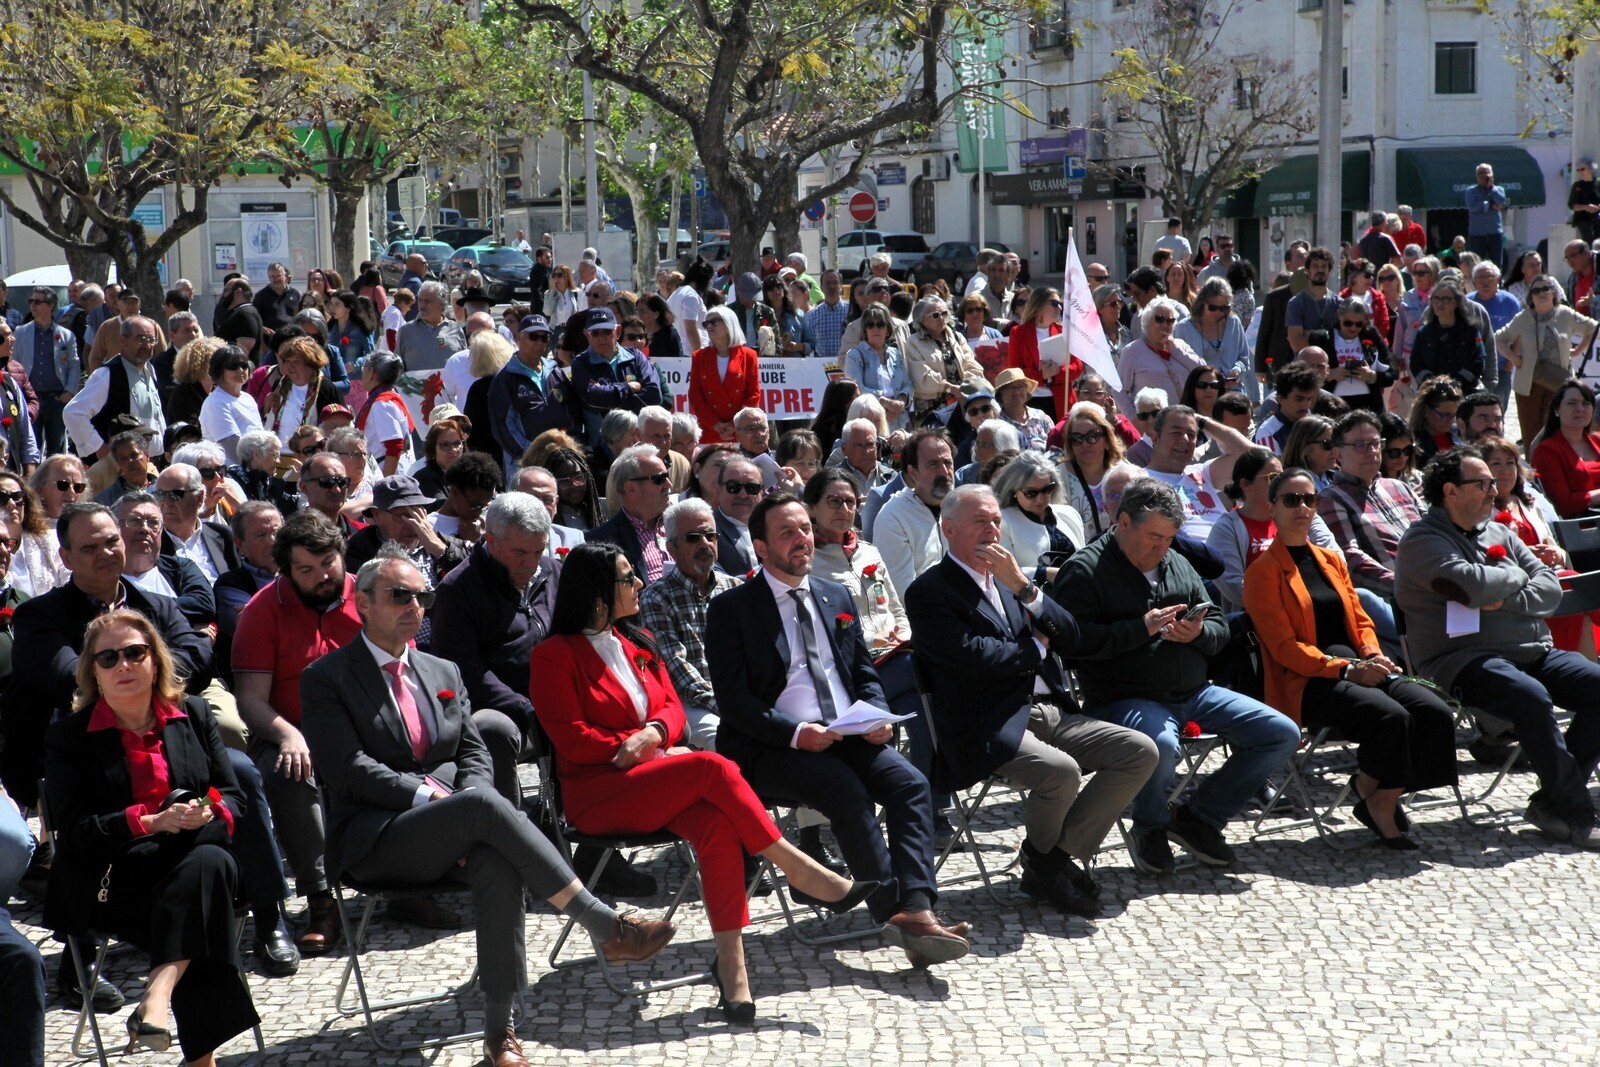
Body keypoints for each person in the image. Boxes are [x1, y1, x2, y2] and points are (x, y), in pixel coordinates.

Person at [301, 548, 676, 1066]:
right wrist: (441, 799)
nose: (415, 606)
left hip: (454, 821)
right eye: (399, 596)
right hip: (376, 835)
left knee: (495, 858)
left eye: (423, 596)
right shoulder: (327, 677)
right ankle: (602, 923)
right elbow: (347, 767)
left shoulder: (440, 667)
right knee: (479, 807)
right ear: (362, 603)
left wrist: (464, 808)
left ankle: (500, 1033)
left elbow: (473, 749)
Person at [534, 541, 873, 1020]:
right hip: (599, 793)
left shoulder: (637, 642)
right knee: (713, 766)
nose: (639, 584)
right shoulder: (554, 655)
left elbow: (673, 710)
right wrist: (631, 746)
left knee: (715, 826)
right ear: (595, 593)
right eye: (628, 578)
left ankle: (733, 971)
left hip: (651, 777)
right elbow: (571, 737)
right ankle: (794, 866)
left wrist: (651, 733)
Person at [705, 493, 970, 967]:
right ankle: (899, 915)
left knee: (911, 784)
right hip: (772, 746)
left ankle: (917, 907)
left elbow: (862, 672)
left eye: (805, 528)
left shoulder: (835, 594)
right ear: (760, 548)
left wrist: (876, 717)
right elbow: (735, 703)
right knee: (846, 792)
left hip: (845, 733)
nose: (801, 539)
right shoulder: (733, 609)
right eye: (786, 532)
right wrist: (795, 733)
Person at [905, 484, 1157, 912]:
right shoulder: (929, 591)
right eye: (979, 521)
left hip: (1050, 711)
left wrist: (1025, 587)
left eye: (995, 520)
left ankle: (1048, 860)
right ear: (948, 529)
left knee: (1140, 751)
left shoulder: (1009, 580)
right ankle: (1049, 868)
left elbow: (1071, 635)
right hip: (988, 722)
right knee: (1061, 772)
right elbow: (974, 658)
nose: (991, 530)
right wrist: (1038, 649)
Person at [1052, 479, 1301, 874]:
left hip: (1194, 690)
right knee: (1160, 744)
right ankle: (1150, 826)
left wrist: (1200, 632)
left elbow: (1218, 624)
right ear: (1123, 522)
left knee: (1281, 732)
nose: (1160, 547)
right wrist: (1140, 629)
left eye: (1168, 538)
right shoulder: (1084, 570)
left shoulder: (1177, 561)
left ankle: (1198, 817)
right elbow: (1072, 643)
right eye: (1152, 536)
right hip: (1125, 697)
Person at [43, 612, 259, 1065]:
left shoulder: (194, 714)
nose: (123, 664)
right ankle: (198, 1054)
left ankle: (157, 995)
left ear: (155, 661)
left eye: (135, 653)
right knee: (208, 887)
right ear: (94, 673)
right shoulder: (70, 738)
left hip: (190, 865)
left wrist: (205, 813)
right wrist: (150, 822)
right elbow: (76, 834)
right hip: (114, 880)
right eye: (108, 657)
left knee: (206, 870)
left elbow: (235, 798)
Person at [1395, 447, 1600, 848]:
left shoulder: (1500, 531)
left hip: (1531, 650)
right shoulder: (1422, 541)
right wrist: (1512, 575)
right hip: (1461, 660)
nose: (1495, 490)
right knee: (1530, 697)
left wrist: (1501, 591)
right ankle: (1574, 810)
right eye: (1483, 483)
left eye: (1493, 482)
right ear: (1451, 491)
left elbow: (1550, 588)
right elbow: (1469, 585)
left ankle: (1552, 799)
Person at [1244, 467, 1457, 848]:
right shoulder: (1262, 572)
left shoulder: (1331, 560)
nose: (1302, 507)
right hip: (1309, 680)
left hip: (1358, 667)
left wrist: (1373, 656)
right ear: (1272, 507)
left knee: (1435, 712)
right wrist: (1347, 668)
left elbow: (1360, 620)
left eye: (1310, 499)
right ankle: (1377, 801)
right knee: (1392, 717)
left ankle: (1375, 791)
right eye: (1291, 500)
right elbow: (1284, 648)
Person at [1483, 434, 1600, 656]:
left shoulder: (1528, 503)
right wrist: (1528, 556)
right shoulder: (1483, 512)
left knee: (1579, 606)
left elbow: (1555, 546)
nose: (1505, 471)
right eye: (1496, 464)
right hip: (1523, 589)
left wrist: (1555, 553)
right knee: (1574, 585)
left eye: (1510, 463)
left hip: (1553, 578)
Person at [1496, 276, 1597, 437]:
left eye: (1545, 289)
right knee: (1531, 433)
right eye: (1536, 290)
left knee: (1556, 432)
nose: (1541, 293)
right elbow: (1499, 338)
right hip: (1528, 385)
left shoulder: (1566, 314)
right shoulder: (1523, 318)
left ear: (1553, 293)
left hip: (1558, 383)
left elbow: (1593, 329)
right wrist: (1514, 359)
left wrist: (1577, 351)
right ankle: (1532, 462)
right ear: (1531, 297)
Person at [64, 316, 167, 460]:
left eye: (151, 340)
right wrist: (99, 448)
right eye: (141, 339)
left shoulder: (150, 371)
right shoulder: (107, 374)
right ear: (123, 340)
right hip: (121, 465)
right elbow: (73, 413)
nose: (147, 345)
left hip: (150, 463)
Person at [873, 429, 955, 598]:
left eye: (947, 463)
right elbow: (904, 592)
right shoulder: (894, 517)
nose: (944, 472)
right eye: (933, 465)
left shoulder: (962, 508)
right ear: (913, 473)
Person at [993, 450, 1084, 582]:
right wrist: (1044, 573)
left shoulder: (1069, 514)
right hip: (1031, 599)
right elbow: (1001, 572)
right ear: (1014, 491)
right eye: (1031, 493)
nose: (1040, 499)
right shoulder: (1002, 522)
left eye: (1047, 489)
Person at [585, 443, 671, 584]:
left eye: (667, 476)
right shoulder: (601, 542)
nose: (668, 484)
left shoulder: (682, 524)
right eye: (659, 479)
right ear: (631, 488)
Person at [16, 286, 79, 455]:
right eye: (31, 301)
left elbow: (73, 364)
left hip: (56, 398)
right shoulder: (21, 332)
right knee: (30, 445)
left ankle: (55, 480)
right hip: (31, 398)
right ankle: (32, 480)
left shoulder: (66, 335)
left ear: (51, 305)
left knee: (57, 447)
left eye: (37, 302)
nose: (33, 305)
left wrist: (69, 391)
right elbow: (13, 363)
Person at [904, 295, 983, 425]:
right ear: (922, 319)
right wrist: (949, 388)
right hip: (931, 409)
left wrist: (965, 387)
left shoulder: (957, 337)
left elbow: (972, 365)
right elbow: (922, 378)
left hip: (962, 403)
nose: (941, 318)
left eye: (944, 313)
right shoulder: (913, 342)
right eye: (935, 315)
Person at [688, 305, 760, 445]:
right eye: (706, 323)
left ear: (729, 323)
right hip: (710, 432)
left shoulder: (749, 356)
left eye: (714, 321)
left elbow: (753, 395)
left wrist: (735, 425)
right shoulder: (699, 357)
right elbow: (695, 395)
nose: (709, 326)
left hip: (739, 432)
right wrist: (715, 424)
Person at [1531, 379, 1600, 518]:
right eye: (1571, 403)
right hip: (1581, 527)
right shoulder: (1547, 451)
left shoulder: (1598, 440)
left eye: (1586, 403)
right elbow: (1561, 504)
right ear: (1557, 410)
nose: (1580, 408)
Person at [1119, 296, 1204, 409]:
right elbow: (1119, 390)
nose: (1165, 324)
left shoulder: (1180, 345)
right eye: (1159, 319)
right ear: (1147, 321)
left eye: (1170, 320)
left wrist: (1176, 351)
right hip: (1151, 421)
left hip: (1184, 417)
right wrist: (1134, 418)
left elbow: (1203, 371)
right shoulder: (1132, 351)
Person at [1057, 401, 1124, 538]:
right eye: (1077, 438)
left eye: (1092, 436)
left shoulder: (1123, 474)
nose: (1085, 443)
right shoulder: (1058, 477)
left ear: (1107, 439)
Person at [1005, 287, 1070, 422]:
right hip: (1030, 401)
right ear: (1039, 305)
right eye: (1054, 303)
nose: (1059, 308)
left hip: (1061, 401)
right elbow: (1014, 371)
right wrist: (1041, 376)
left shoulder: (1064, 332)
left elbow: (1077, 367)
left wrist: (1054, 373)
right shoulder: (1018, 333)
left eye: (1060, 304)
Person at [1411, 278, 1487, 392]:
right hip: (1432, 395)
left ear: (1456, 302)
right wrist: (1432, 382)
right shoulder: (1424, 333)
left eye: (1446, 299)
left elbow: (1478, 361)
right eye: (1436, 299)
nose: (1440, 303)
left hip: (1464, 392)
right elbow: (1415, 364)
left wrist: (1455, 384)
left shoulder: (1470, 331)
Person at [0, 470, 66, 597]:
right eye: (1, 497)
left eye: (17, 496)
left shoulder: (50, 541)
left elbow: (69, 580)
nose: (11, 504)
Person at [197, 345, 260, 464]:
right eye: (233, 366)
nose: (241, 370)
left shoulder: (248, 398)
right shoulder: (216, 403)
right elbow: (231, 445)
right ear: (219, 371)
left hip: (255, 466)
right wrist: (258, 464)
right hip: (231, 471)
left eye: (244, 365)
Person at [394, 281, 467, 372]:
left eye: (427, 301)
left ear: (441, 304)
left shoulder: (456, 329)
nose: (422, 305)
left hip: (449, 386)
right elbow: (397, 369)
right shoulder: (406, 331)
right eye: (420, 300)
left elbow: (464, 364)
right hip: (416, 386)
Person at [1407, 375, 1464, 469]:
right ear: (1426, 410)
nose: (1450, 420)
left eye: (1453, 415)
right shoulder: (1413, 441)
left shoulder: (1459, 435)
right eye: (1444, 415)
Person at [992, 367, 1053, 452]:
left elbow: (1055, 447)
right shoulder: (996, 427)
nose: (1017, 392)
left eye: (1020, 386)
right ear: (1000, 394)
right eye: (1011, 388)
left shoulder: (1041, 417)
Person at [1464, 162, 1507, 267]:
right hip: (1477, 234)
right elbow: (1473, 207)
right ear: (1476, 176)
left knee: (1496, 264)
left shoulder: (1499, 190)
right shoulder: (1471, 191)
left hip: (1495, 233)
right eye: (1480, 173)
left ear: (1492, 174)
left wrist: (1491, 188)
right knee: (1476, 264)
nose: (1483, 175)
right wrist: (1489, 204)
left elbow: (1501, 201)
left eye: (1486, 172)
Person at [1281, 414, 1338, 490]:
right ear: (1304, 448)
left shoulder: (1338, 478)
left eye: (1337, 443)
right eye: (1328, 444)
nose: (1335, 450)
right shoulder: (1291, 484)